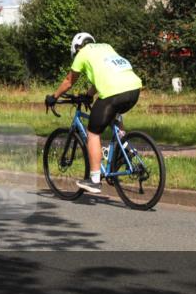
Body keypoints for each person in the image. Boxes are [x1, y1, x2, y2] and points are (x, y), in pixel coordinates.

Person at [46, 32, 143, 193]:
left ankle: (95, 179)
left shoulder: (82, 53)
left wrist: (53, 97)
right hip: (134, 88)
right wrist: (88, 95)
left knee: (93, 132)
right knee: (114, 116)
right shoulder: (106, 47)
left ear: (77, 47)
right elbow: (105, 75)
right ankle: (125, 150)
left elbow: (69, 81)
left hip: (114, 92)